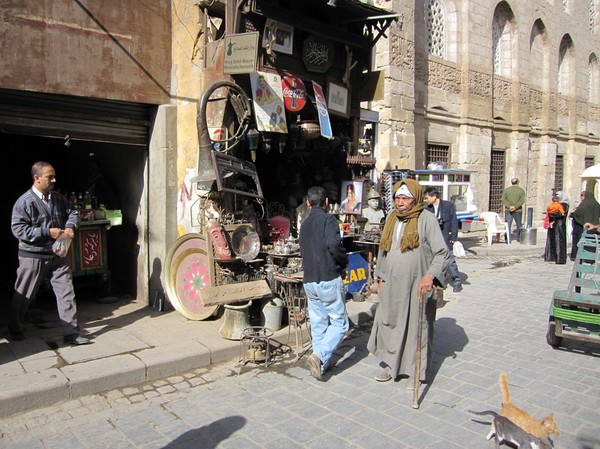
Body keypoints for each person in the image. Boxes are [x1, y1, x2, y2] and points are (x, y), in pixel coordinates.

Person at [368, 179, 449, 386]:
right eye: (397, 198)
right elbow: (384, 251)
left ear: (415, 199)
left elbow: (442, 253)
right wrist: (381, 277)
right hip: (392, 283)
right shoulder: (391, 219)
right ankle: (390, 364)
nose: (400, 202)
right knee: (389, 323)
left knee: (416, 327)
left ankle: (416, 370)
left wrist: (430, 276)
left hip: (417, 284)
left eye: (405, 198)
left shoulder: (426, 219)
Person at [9, 161, 90, 345]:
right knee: (24, 294)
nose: (54, 180)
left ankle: (71, 333)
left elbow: (73, 213)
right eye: (49, 177)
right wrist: (46, 232)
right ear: (36, 178)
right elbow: (18, 229)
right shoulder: (24, 202)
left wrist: (70, 227)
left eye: (54, 176)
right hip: (33, 256)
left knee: (66, 292)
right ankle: (15, 327)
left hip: (58, 254)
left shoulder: (58, 198)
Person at [299, 186, 349, 380]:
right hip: (327, 278)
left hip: (310, 281)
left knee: (319, 324)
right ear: (326, 202)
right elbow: (334, 245)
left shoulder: (304, 224)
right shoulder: (329, 220)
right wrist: (343, 261)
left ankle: (320, 364)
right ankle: (319, 356)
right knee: (340, 324)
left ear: (309, 203)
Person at [424, 187, 463, 292]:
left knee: (450, 260)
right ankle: (440, 281)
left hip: (446, 236)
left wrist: (453, 237)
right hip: (434, 237)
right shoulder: (428, 209)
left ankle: (457, 281)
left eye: (427, 197)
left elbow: (454, 221)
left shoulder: (448, 206)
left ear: (434, 196)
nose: (426, 200)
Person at [570, 190, 600, 260]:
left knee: (579, 241)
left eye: (582, 195)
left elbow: (578, 214)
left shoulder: (583, 204)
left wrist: (573, 214)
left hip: (582, 227)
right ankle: (591, 257)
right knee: (592, 242)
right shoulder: (597, 204)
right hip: (595, 227)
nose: (581, 197)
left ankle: (577, 256)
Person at [543, 193, 568, 264]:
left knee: (558, 242)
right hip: (554, 225)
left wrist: (551, 214)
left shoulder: (564, 205)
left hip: (559, 226)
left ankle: (559, 258)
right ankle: (551, 257)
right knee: (553, 241)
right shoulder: (557, 205)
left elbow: (561, 214)